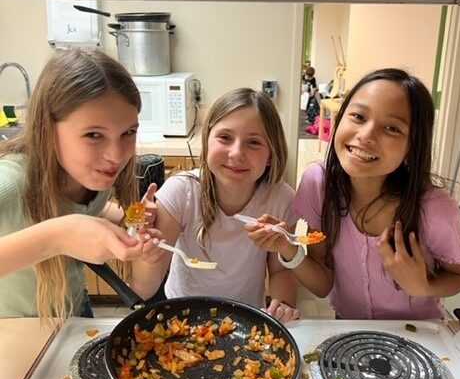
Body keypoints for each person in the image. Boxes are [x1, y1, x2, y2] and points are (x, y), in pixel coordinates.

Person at [245, 68, 460, 320]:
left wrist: (423, 287)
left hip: (420, 332)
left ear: (412, 146)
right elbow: (322, 286)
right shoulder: (318, 184)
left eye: (392, 128)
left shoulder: (434, 208)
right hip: (348, 328)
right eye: (358, 116)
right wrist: (287, 248)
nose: (366, 136)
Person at [0, 48, 161, 323]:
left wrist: (131, 218)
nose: (117, 155)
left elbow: (87, 210)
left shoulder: (90, 176)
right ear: (46, 128)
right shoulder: (11, 182)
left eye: (128, 133)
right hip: (17, 336)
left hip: (73, 314)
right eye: (94, 134)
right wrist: (57, 236)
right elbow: (62, 223)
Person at [133, 88, 300, 323]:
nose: (236, 153)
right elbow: (143, 289)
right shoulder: (181, 191)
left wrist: (283, 305)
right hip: (182, 318)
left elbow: (281, 270)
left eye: (253, 142)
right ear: (207, 141)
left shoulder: (280, 199)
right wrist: (147, 254)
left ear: (271, 154)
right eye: (225, 138)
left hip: (245, 318)